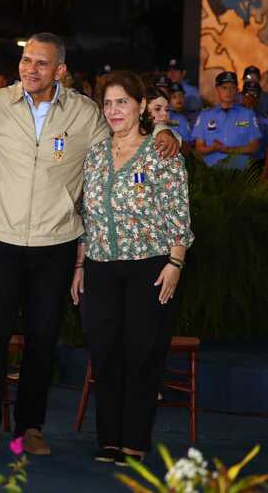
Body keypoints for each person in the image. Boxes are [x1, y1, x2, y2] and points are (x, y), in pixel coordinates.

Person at [0, 33, 180, 456]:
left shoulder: (85, 113)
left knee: (42, 338)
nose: (30, 69)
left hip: (56, 243)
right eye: (26, 60)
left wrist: (164, 128)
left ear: (60, 70)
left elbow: (125, 132)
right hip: (0, 238)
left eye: (41, 63)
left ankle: (31, 427)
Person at [71, 70, 194, 466]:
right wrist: (80, 264)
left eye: (122, 102)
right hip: (100, 267)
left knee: (142, 355)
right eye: (108, 103)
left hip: (150, 267)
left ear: (141, 105)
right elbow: (86, 213)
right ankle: (109, 439)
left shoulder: (161, 151)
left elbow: (178, 212)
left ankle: (134, 441)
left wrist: (176, 262)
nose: (114, 110)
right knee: (105, 353)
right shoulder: (96, 154)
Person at [193, 71, 261, 169]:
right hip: (212, 171)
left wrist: (229, 150)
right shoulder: (205, 115)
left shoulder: (248, 114)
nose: (228, 92)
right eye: (224, 88)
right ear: (217, 89)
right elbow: (199, 147)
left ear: (237, 90)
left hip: (239, 172)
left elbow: (254, 146)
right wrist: (213, 148)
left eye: (232, 88)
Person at [166, 83, 194, 157]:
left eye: (181, 96)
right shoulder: (166, 116)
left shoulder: (184, 117)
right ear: (169, 100)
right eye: (174, 97)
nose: (178, 99)